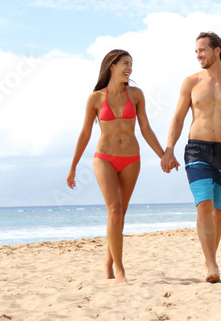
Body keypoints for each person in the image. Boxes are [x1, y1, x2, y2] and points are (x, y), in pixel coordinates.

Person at [67, 49, 167, 284]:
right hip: (104, 158)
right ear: (112, 65)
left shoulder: (136, 95)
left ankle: (108, 262)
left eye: (131, 64)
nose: (129, 68)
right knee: (114, 210)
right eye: (125, 63)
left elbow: (145, 129)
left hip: (131, 159)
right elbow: (85, 133)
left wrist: (163, 155)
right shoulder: (95, 98)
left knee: (121, 214)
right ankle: (120, 269)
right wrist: (72, 167)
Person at [161, 32, 221, 283]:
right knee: (204, 204)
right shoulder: (191, 82)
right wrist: (169, 148)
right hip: (196, 149)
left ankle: (208, 257)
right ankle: (212, 264)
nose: (198, 55)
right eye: (196, 52)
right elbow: (178, 119)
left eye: (202, 50)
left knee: (218, 211)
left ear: (217, 50)